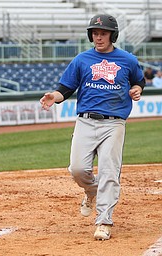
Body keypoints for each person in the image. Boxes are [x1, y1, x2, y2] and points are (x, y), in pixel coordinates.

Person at [40, 14, 145, 241]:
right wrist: (54, 97)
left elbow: (139, 80)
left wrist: (137, 88)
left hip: (114, 123)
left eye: (103, 33)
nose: (98, 37)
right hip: (86, 121)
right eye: (95, 33)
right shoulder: (82, 60)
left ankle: (104, 221)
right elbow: (65, 88)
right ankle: (91, 191)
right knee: (77, 169)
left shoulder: (127, 59)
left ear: (112, 35)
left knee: (109, 171)